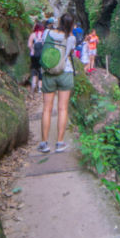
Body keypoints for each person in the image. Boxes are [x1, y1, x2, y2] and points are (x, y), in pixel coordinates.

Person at [39, 14, 76, 153]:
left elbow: (44, 48)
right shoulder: (71, 38)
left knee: (47, 109)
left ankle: (44, 143)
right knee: (62, 109)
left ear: (59, 22)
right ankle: (60, 143)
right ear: (71, 25)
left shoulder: (47, 32)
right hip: (65, 72)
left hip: (48, 73)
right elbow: (71, 52)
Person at [27, 21, 46, 95]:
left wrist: (32, 49)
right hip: (42, 55)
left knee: (34, 70)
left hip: (34, 55)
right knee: (41, 71)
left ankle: (33, 86)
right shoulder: (44, 35)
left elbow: (29, 45)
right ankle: (40, 89)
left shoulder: (33, 35)